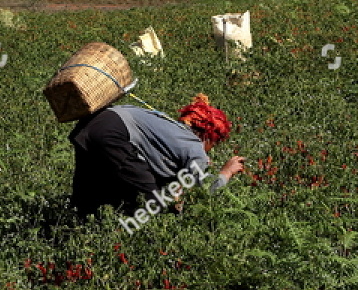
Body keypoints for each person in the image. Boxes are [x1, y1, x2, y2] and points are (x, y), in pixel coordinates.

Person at [70, 93, 244, 218]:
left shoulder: (172, 131)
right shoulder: (195, 148)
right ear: (208, 137)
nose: (210, 149)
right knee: (154, 202)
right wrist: (225, 173)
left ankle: (76, 224)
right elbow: (203, 194)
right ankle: (129, 238)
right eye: (214, 144)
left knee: (88, 197)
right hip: (114, 132)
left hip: (90, 124)